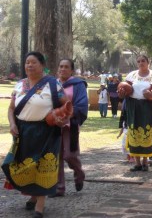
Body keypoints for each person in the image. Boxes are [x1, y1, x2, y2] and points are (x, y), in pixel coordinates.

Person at [1, 52, 70, 218]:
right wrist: (12, 123)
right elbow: (11, 108)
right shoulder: (19, 85)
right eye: (27, 63)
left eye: (33, 62)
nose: (29, 65)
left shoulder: (53, 84)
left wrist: (61, 119)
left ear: (42, 65)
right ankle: (32, 195)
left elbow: (67, 105)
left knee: (42, 166)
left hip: (46, 131)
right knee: (24, 165)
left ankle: (40, 205)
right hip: (23, 131)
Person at [50, 59, 88, 198]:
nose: (63, 69)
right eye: (61, 66)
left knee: (69, 155)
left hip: (70, 124)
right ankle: (59, 188)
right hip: (54, 124)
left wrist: (68, 114)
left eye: (66, 67)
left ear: (72, 70)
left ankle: (79, 173)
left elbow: (82, 104)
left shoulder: (78, 85)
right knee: (56, 156)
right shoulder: (52, 84)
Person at [118, 55, 152, 171]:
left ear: (148, 62)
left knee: (147, 131)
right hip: (133, 107)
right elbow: (123, 90)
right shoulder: (131, 75)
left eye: (143, 61)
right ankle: (137, 162)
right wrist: (122, 93)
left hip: (148, 107)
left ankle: (145, 162)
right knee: (133, 131)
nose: (140, 63)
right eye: (138, 61)